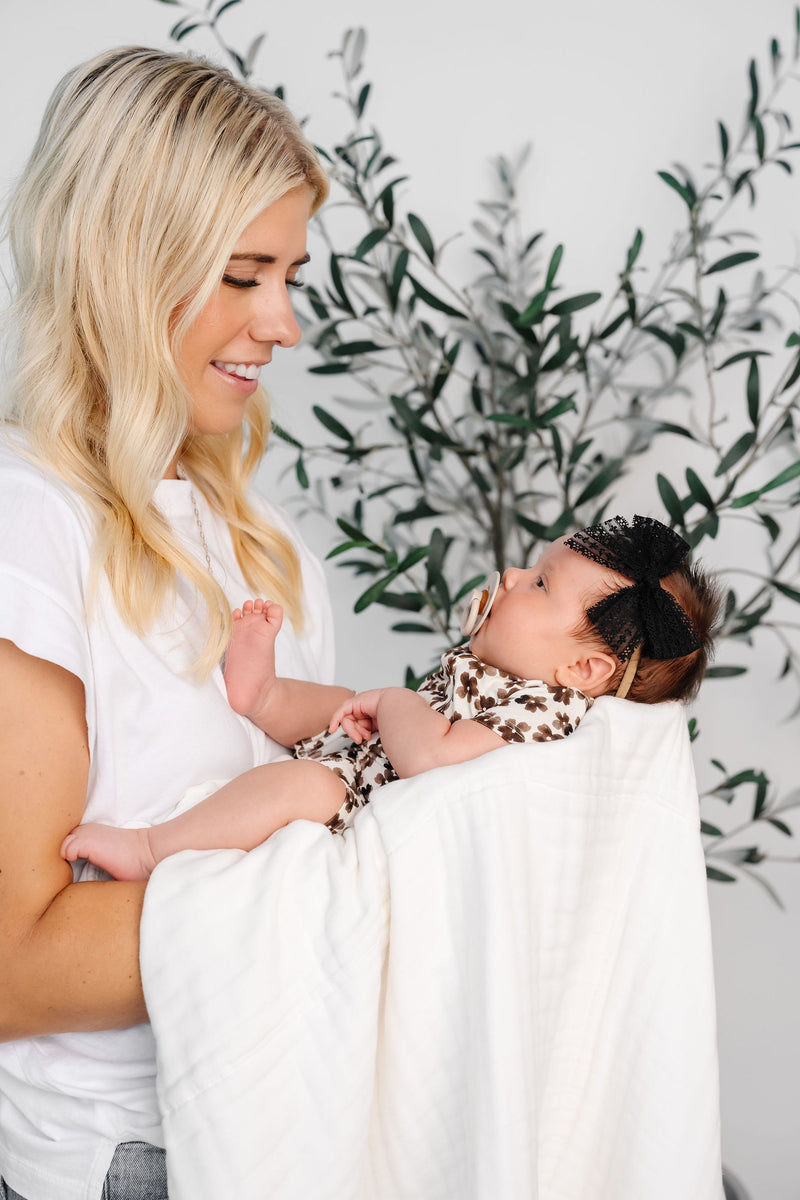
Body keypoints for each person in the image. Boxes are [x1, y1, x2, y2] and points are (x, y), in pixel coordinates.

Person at [0, 46, 341, 1200]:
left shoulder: (270, 549)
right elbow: (13, 966)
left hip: (286, 1125)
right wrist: (350, 883)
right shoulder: (26, 527)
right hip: (124, 1160)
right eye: (244, 275)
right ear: (120, 266)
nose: (282, 323)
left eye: (289, 275)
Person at [61, 515, 722, 880]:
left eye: (541, 585)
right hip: (366, 760)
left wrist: (395, 702)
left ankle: (152, 850)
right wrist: (382, 706)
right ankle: (260, 694)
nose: (514, 576)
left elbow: (435, 762)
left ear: (584, 669)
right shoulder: (510, 679)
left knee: (308, 785)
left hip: (359, 811)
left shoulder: (547, 717)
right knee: (342, 706)